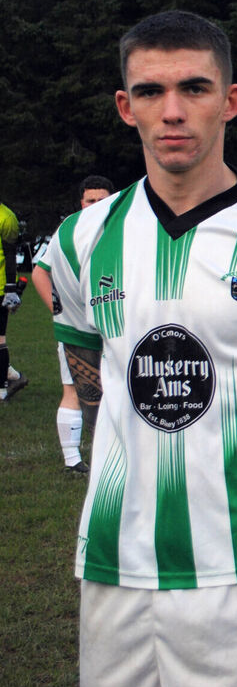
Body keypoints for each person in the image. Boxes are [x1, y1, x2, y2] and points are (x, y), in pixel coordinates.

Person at [38, 11, 237, 687]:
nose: (173, 111)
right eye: (150, 92)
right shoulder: (81, 239)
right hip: (115, 569)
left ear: (231, 100)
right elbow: (92, 375)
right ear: (126, 107)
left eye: (195, 88)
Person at [31, 175, 114, 474]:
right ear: (81, 203)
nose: (96, 205)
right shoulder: (68, 233)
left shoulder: (117, 231)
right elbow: (40, 273)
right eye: (91, 200)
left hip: (112, 328)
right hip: (77, 329)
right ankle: (72, 460)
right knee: (73, 390)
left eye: (102, 200)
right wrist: (57, 309)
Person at [0, 201, 27, 402]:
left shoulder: (6, 217)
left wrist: (11, 287)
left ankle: (2, 390)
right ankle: (13, 376)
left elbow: (11, 254)